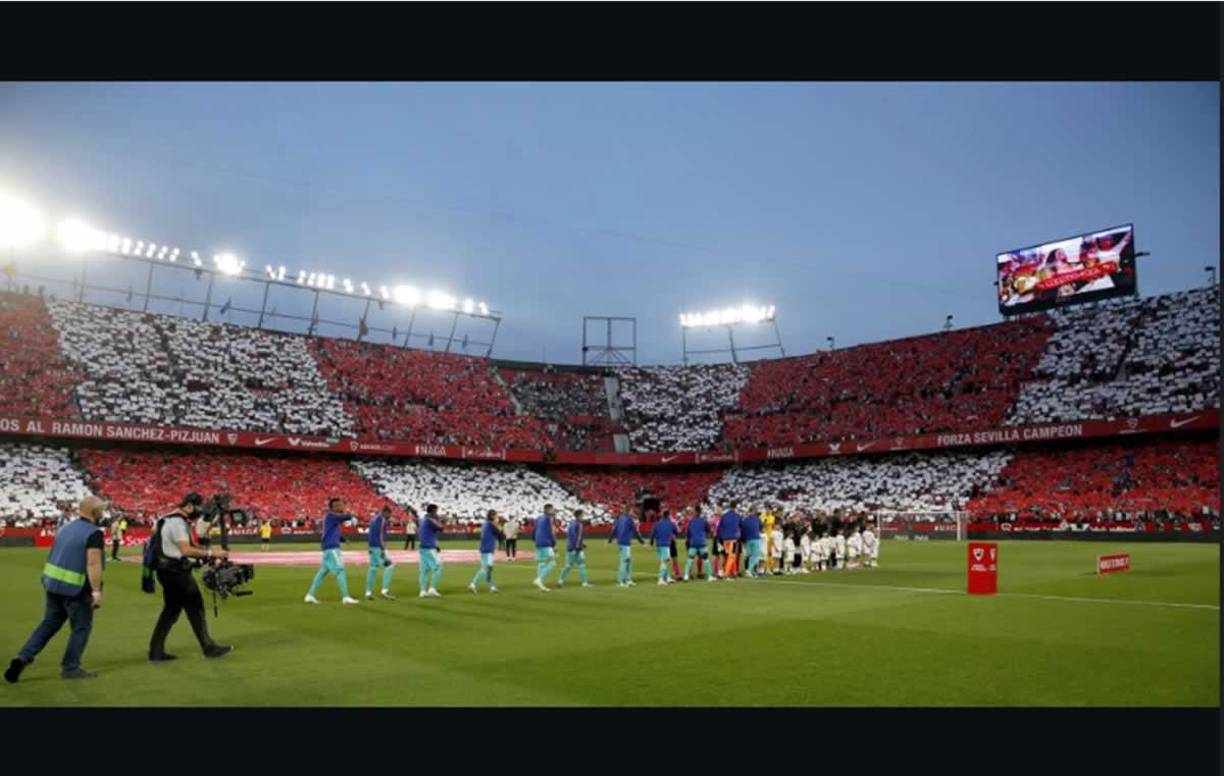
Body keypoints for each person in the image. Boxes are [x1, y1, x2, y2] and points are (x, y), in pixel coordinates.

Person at [5, 496, 108, 683]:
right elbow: (93, 563)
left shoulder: (65, 528)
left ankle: (23, 657)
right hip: (76, 589)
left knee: (48, 624)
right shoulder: (94, 534)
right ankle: (70, 667)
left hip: (53, 585)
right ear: (95, 512)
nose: (103, 513)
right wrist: (96, 591)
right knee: (81, 628)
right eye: (101, 510)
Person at [147, 493, 233, 661]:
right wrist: (211, 552)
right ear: (188, 506)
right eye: (198, 507)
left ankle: (155, 651)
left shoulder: (166, 519)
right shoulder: (178, 523)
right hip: (177, 573)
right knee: (196, 609)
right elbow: (185, 550)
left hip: (165, 571)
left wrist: (203, 555)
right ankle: (208, 647)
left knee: (170, 611)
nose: (200, 512)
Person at [304, 497, 360, 605]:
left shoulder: (332, 518)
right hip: (332, 548)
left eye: (341, 504)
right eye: (338, 505)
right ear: (332, 508)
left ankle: (310, 595)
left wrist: (344, 539)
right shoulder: (331, 515)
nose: (340, 506)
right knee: (340, 570)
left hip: (328, 547)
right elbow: (347, 517)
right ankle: (345, 597)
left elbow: (334, 532)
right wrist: (348, 514)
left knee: (322, 573)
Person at [608, 504, 644, 587]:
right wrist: (642, 542)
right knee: (624, 561)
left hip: (621, 542)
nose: (632, 512)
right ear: (629, 511)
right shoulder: (629, 520)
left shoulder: (619, 518)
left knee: (628, 561)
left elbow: (615, 529)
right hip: (625, 543)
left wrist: (610, 539)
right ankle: (620, 581)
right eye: (632, 511)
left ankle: (628, 579)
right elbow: (635, 532)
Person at [365, 505, 396, 600]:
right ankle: (384, 591)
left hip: (373, 546)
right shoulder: (382, 520)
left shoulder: (374, 519)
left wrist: (369, 547)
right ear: (385, 512)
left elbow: (371, 533)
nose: (390, 516)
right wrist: (383, 549)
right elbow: (380, 535)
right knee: (390, 565)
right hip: (378, 547)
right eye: (390, 513)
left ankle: (368, 593)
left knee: (373, 568)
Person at [469, 509, 503, 594]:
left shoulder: (486, 524)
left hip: (486, 549)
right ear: (492, 516)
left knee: (489, 569)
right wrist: (497, 524)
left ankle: (491, 586)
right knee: (485, 569)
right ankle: (473, 584)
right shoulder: (491, 524)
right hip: (487, 549)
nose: (497, 517)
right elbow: (500, 534)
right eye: (496, 516)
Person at [558, 509, 591, 588]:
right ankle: (584, 583)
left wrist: (581, 544)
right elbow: (578, 537)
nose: (584, 516)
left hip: (570, 546)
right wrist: (578, 547)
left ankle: (560, 580)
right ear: (580, 516)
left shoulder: (571, 523)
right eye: (583, 515)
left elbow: (571, 536)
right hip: (576, 547)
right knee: (581, 564)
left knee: (568, 565)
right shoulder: (579, 524)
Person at [682, 505, 714, 583]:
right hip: (702, 543)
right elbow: (709, 531)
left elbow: (688, 533)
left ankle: (686, 576)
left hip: (693, 543)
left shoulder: (691, 521)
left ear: (695, 512)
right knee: (706, 559)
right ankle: (709, 576)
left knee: (690, 559)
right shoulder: (704, 521)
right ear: (700, 512)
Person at [417, 504, 444, 598]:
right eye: (436, 511)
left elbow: (424, 533)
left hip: (423, 547)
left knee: (423, 570)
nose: (437, 513)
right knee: (438, 567)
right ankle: (432, 589)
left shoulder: (423, 520)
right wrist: (439, 519)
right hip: (429, 547)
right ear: (432, 511)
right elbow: (441, 528)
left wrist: (435, 545)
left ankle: (422, 591)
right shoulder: (430, 520)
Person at [532, 504, 559, 592]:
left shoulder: (539, 518)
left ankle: (541, 584)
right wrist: (554, 544)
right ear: (549, 510)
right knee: (553, 563)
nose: (554, 511)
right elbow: (551, 532)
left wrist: (534, 540)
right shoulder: (549, 518)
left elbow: (534, 530)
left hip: (538, 542)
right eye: (553, 509)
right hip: (546, 542)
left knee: (542, 562)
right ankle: (539, 579)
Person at [649, 509, 678, 585]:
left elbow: (652, 534)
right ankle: (661, 579)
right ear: (668, 515)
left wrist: (651, 543)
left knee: (664, 561)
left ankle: (667, 577)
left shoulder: (657, 523)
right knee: (665, 562)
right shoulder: (671, 523)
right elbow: (676, 532)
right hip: (666, 545)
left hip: (658, 545)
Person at [717, 501, 743, 580]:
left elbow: (720, 528)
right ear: (736, 507)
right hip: (734, 539)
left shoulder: (724, 516)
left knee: (729, 556)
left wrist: (720, 538)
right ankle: (726, 573)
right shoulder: (738, 516)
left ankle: (734, 572)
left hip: (725, 539)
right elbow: (741, 526)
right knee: (732, 557)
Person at [741, 508, 763, 578]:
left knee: (750, 555)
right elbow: (761, 527)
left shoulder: (745, 520)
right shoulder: (757, 519)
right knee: (756, 555)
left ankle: (752, 571)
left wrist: (743, 539)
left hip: (748, 539)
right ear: (753, 512)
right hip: (756, 538)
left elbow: (743, 529)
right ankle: (749, 570)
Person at [761, 505, 777, 575]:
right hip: (763, 537)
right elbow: (762, 524)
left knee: (769, 553)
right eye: (766, 509)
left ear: (771, 510)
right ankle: (762, 568)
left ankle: (769, 568)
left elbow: (770, 525)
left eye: (769, 510)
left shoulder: (772, 518)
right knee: (763, 553)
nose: (767, 511)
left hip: (769, 537)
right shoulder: (762, 516)